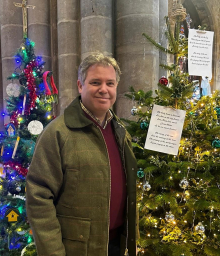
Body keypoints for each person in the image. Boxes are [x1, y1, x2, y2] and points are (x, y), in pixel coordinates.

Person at [26, 53, 137, 256]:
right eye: (95, 82)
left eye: (110, 83)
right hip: (76, 249)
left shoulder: (120, 131)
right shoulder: (58, 133)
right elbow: (38, 197)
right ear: (80, 86)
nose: (104, 89)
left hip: (116, 245)